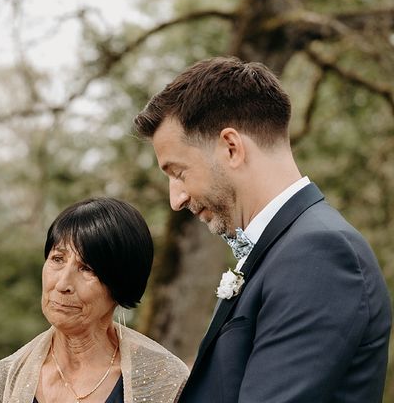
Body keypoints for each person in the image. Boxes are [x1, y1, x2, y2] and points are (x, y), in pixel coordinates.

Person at [133, 56, 392, 402]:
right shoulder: (285, 249)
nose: (176, 200)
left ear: (231, 147)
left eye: (178, 173)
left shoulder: (319, 255)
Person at [0, 197, 189, 403]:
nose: (62, 284)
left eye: (87, 268)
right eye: (57, 259)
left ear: (121, 282)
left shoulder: (164, 380)